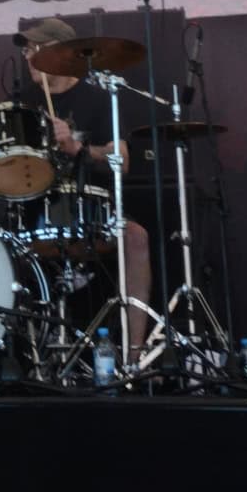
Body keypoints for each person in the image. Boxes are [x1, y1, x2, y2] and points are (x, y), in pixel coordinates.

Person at [30, 62, 154, 355]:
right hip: (36, 210)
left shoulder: (96, 99)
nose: (28, 57)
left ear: (58, 51)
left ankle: (134, 354)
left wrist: (78, 148)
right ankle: (20, 351)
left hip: (91, 208)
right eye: (25, 50)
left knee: (136, 237)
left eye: (35, 48)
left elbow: (122, 161)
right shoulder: (23, 103)